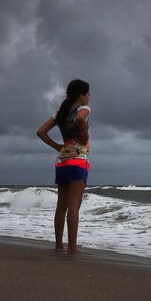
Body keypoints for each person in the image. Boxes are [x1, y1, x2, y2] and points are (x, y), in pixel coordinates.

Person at [36, 79, 90, 253]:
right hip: (78, 159)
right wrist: (85, 135)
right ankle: (72, 248)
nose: (89, 97)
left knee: (62, 205)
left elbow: (40, 132)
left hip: (62, 160)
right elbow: (81, 119)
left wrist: (57, 146)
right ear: (81, 95)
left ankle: (59, 245)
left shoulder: (59, 113)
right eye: (88, 94)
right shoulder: (83, 109)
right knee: (74, 205)